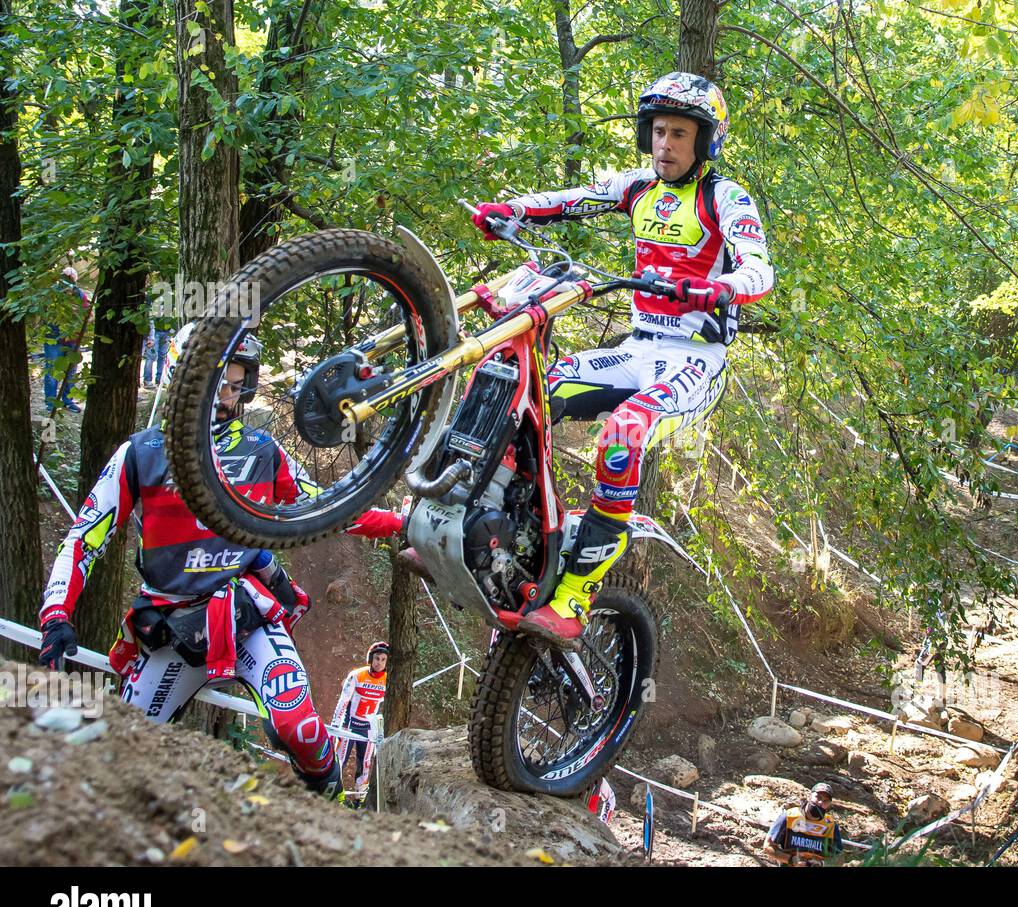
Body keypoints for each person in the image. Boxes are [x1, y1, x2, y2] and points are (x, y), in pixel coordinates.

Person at [472, 71, 774, 646]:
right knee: (528, 390)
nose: (665, 144)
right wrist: (507, 210)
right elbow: (570, 200)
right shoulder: (638, 188)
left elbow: (761, 267)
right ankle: (489, 523)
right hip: (636, 349)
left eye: (680, 134)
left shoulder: (725, 198)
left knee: (624, 433)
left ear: (706, 142)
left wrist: (723, 288)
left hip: (694, 360)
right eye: (658, 131)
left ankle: (573, 597)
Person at [36, 332, 406, 800]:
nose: (228, 396)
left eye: (237, 385)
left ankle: (329, 805)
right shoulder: (141, 452)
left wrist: (400, 521)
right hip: (170, 625)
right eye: (218, 385)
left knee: (303, 731)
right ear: (184, 382)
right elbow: (84, 537)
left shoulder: (263, 450)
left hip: (246, 614)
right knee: (118, 753)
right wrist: (55, 614)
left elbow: (327, 507)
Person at [332, 641, 389, 795]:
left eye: (384, 660)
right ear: (370, 658)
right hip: (349, 725)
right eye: (377, 658)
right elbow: (343, 702)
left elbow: (386, 707)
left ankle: (359, 798)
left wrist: (381, 730)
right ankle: (334, 794)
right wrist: (335, 727)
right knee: (339, 760)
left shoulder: (388, 680)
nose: (379, 663)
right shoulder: (357, 675)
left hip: (369, 728)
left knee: (365, 764)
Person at [43, 266, 92, 413]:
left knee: (70, 372)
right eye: (65, 278)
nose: (68, 283)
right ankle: (51, 402)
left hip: (72, 340)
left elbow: (89, 315)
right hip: (54, 338)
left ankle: (68, 400)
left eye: (71, 279)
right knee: (52, 371)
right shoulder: (52, 294)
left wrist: (79, 321)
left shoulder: (80, 294)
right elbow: (45, 314)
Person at [764, 782, 844, 866]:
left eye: (825, 801)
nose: (820, 802)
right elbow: (767, 846)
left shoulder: (830, 825)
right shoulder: (789, 816)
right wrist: (791, 860)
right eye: (818, 797)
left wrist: (822, 864)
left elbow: (839, 858)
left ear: (829, 804)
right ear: (810, 796)